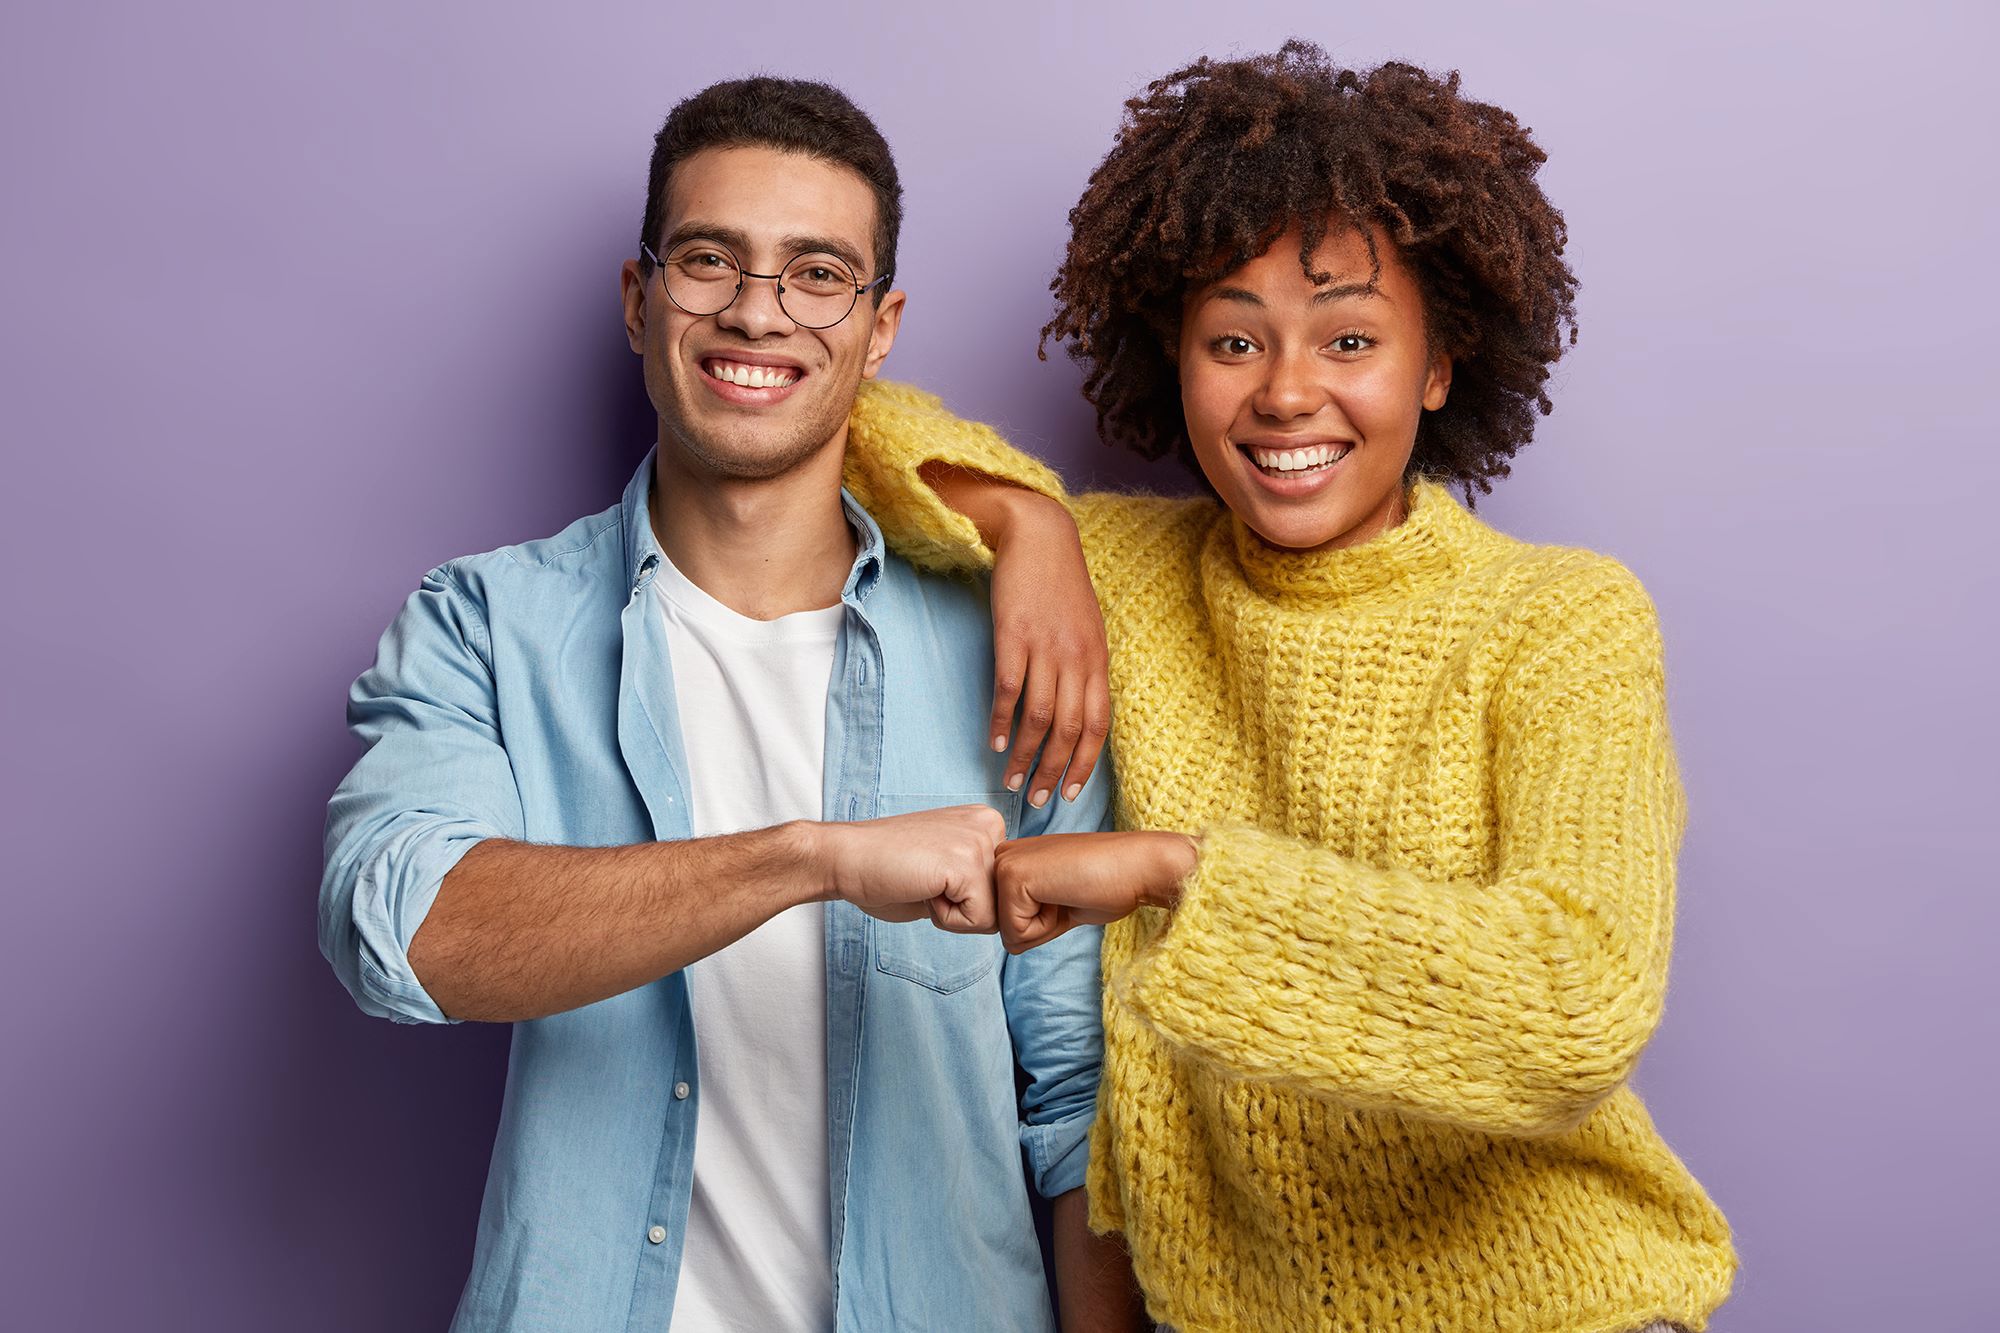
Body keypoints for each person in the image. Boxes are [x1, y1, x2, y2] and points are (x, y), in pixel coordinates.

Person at [839, 43, 1738, 1333]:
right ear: (1177, 359)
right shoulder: (1131, 574)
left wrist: (1174, 876)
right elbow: (848, 426)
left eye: (1350, 338)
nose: (1285, 391)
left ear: (1436, 368)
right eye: (1233, 338)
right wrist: (1032, 525)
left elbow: (1572, 1005)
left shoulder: (1560, 617)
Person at [320, 77, 1141, 1333]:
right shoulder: (488, 624)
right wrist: (811, 858)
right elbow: (403, 934)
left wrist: (1028, 516)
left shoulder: (1016, 657)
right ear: (640, 297)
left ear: (880, 329)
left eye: (819, 274)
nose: (757, 311)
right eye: (711, 259)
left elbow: (1081, 1104)